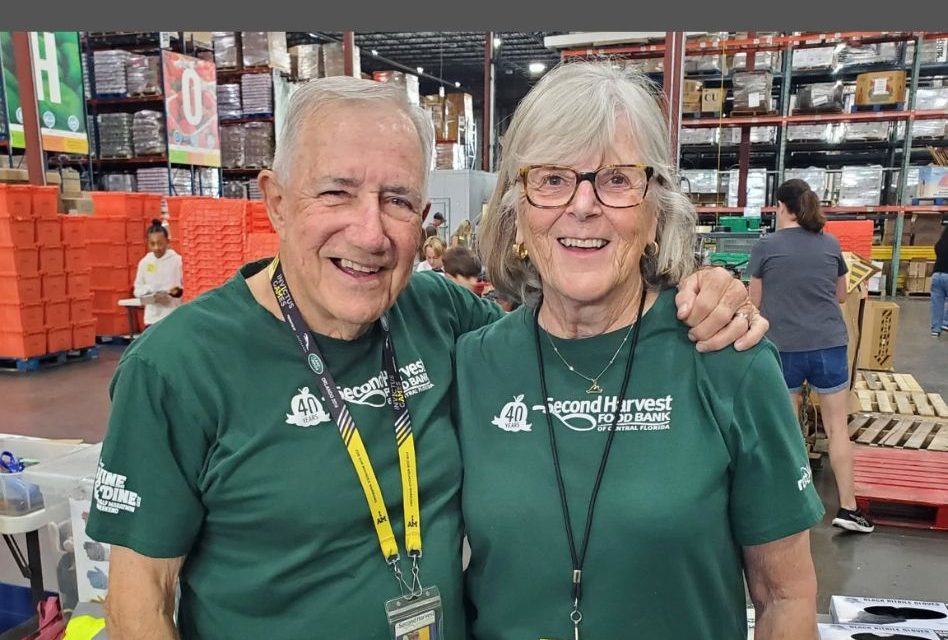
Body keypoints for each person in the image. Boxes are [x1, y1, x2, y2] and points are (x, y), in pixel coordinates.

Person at [87, 76, 763, 640]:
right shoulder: (176, 368)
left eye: (399, 201)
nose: (370, 231)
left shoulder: (442, 317)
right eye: (337, 192)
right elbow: (137, 601)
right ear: (276, 202)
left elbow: (564, 322)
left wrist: (701, 291)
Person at [456, 62, 816, 640]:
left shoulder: (727, 359)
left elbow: (786, 597)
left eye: (617, 180)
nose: (581, 205)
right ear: (516, 210)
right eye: (550, 179)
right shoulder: (473, 365)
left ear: (656, 211)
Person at [748, 178, 873, 535]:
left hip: (783, 348)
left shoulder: (765, 247)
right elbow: (841, 297)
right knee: (837, 430)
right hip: (828, 345)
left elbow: (752, 304)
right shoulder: (830, 244)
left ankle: (793, 505)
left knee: (788, 431)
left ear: (780, 207)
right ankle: (849, 509)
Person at [132, 219, 183, 326]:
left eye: (160, 243)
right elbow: (137, 290)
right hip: (151, 318)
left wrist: (176, 292)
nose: (156, 248)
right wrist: (150, 292)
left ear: (167, 242)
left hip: (172, 315)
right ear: (147, 243)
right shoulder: (145, 263)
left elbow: (186, 287)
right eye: (152, 244)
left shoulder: (178, 261)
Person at [930, 224, 947, 337]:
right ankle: (946, 322)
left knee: (937, 303)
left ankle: (935, 329)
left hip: (937, 275)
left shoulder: (940, 243)